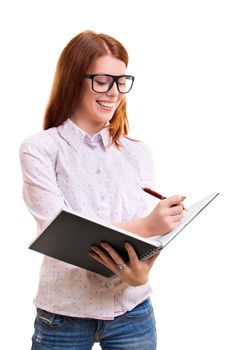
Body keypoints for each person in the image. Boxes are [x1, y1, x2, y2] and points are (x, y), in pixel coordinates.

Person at [20, 30, 185, 350]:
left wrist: (143, 272)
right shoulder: (40, 149)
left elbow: (145, 242)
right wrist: (149, 224)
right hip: (64, 315)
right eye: (102, 80)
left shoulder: (138, 152)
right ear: (73, 79)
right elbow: (58, 234)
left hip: (133, 312)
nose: (114, 92)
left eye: (121, 81)